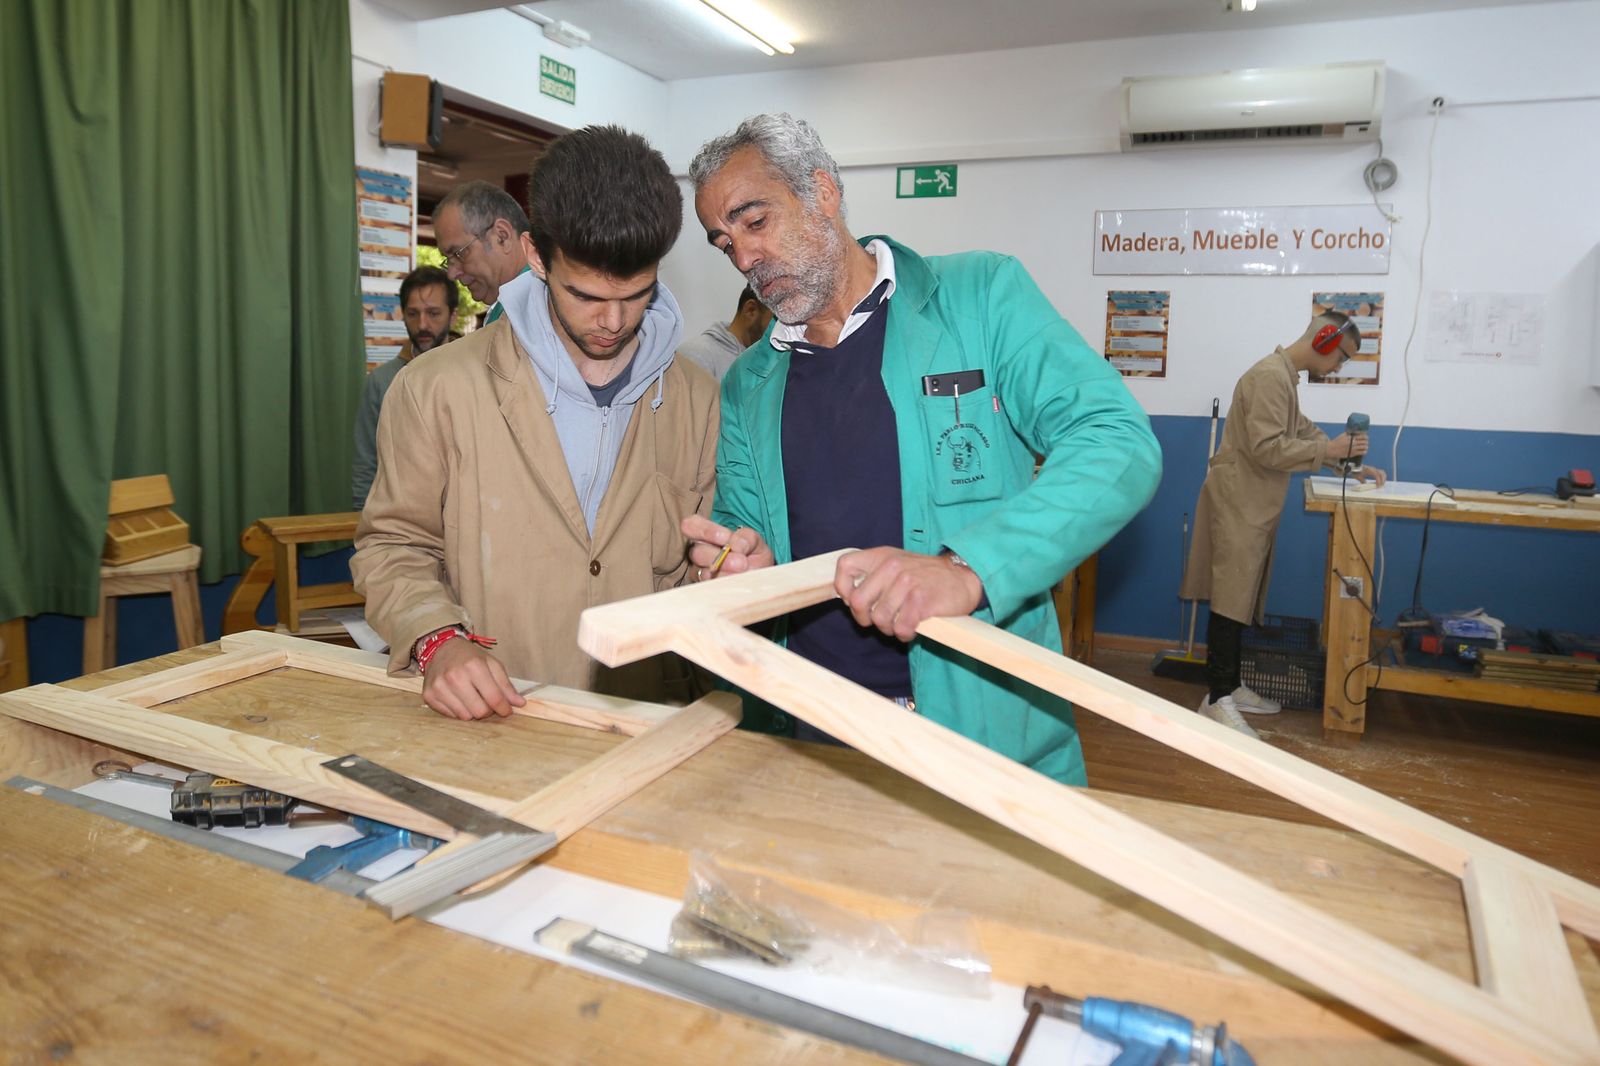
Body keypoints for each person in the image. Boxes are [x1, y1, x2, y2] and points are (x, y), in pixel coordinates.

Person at [680, 113, 1161, 786]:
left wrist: (968, 568)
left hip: (978, 735)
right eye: (723, 243)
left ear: (822, 191)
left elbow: (1116, 441)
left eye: (754, 222)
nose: (745, 259)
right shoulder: (747, 386)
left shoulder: (980, 298)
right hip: (808, 734)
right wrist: (742, 566)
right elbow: (745, 535)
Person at [353, 126, 720, 720]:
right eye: (584, 295)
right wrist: (436, 639)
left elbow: (697, 572)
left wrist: (723, 577)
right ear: (534, 257)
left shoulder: (697, 398)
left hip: (645, 721)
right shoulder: (434, 389)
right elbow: (393, 545)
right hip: (493, 717)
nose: (612, 321)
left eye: (636, 295)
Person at [1180, 312, 1386, 738]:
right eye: (1341, 359)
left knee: (1241, 596)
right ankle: (1215, 699)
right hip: (1239, 501)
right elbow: (1267, 447)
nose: (1337, 370)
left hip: (1254, 503)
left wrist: (1344, 462)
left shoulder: (1284, 378)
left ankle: (1231, 686)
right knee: (1229, 597)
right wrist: (1329, 449)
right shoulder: (1268, 377)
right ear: (1325, 341)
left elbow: (1301, 432)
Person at [352, 266, 457, 510]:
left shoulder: (474, 373)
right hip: (402, 521)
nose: (422, 324)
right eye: (413, 313)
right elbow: (366, 463)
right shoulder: (381, 382)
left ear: (453, 315)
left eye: (433, 313)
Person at [433, 180, 532, 324]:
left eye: (459, 254)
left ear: (502, 236)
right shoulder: (511, 307)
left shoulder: (546, 305)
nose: (452, 274)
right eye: (448, 260)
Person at [676, 285, 773, 381]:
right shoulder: (696, 354)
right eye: (777, 320)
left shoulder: (768, 362)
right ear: (751, 310)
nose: (782, 330)